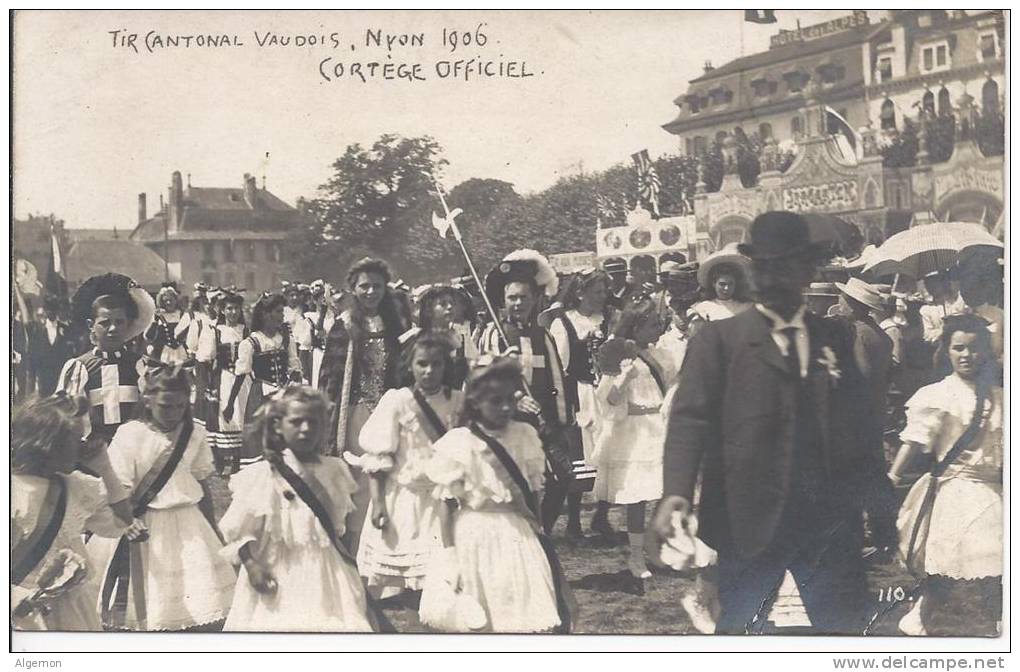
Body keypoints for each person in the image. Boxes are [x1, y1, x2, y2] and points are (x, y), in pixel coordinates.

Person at [655, 211, 897, 635]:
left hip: (828, 519)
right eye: (766, 266)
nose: (776, 277)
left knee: (844, 632)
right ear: (754, 270)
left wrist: (879, 505)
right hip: (746, 518)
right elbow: (689, 420)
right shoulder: (719, 341)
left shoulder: (836, 338)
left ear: (806, 271)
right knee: (741, 629)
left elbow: (860, 427)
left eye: (788, 265)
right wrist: (676, 492)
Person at [420, 357, 574, 633]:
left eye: (509, 400)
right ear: (475, 402)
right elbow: (446, 504)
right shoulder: (460, 442)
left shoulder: (525, 435)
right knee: (480, 611)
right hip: (473, 533)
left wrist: (538, 532)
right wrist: (449, 555)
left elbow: (533, 492)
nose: (505, 408)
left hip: (517, 532)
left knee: (519, 607)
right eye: (495, 401)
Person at [87, 363, 236, 631]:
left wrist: (212, 525)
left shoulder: (195, 434)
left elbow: (201, 482)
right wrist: (127, 521)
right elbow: (116, 486)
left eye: (180, 407)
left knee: (192, 592)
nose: (174, 414)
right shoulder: (131, 433)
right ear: (148, 400)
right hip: (140, 522)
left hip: (188, 523)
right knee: (146, 595)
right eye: (166, 406)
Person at [219, 386, 378, 632]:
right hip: (277, 569)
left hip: (324, 571)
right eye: (296, 422)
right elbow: (238, 532)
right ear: (278, 426)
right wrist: (251, 566)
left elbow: (336, 527)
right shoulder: (264, 475)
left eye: (313, 422)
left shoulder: (334, 470)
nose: (306, 429)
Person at [889, 315, 1002, 637]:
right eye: (959, 348)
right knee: (946, 570)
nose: (967, 355)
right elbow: (913, 441)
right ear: (947, 351)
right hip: (954, 493)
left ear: (986, 351)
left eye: (975, 348)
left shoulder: (1002, 397)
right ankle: (921, 624)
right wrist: (893, 477)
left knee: (996, 569)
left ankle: (999, 631)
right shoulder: (938, 394)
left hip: (994, 492)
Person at [477, 249, 576, 537]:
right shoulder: (494, 335)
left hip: (544, 425)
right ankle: (521, 537)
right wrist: (516, 400)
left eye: (524, 297)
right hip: (510, 424)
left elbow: (556, 378)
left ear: (534, 299)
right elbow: (487, 383)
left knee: (560, 479)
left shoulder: (542, 335)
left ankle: (540, 531)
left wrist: (558, 422)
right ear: (504, 301)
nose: (518, 303)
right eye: (512, 298)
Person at [356, 332, 463, 597]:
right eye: (422, 364)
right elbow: (379, 457)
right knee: (404, 564)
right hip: (404, 495)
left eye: (436, 364)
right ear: (410, 366)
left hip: (443, 498)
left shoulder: (458, 401)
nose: (429, 371)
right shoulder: (397, 400)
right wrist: (378, 503)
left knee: (441, 571)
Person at [11, 394, 130, 631]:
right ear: (47, 443)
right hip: (20, 610)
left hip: (71, 607)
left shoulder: (75, 486)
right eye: (75, 440)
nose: (83, 446)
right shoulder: (14, 488)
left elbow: (121, 521)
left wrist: (105, 468)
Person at [319, 257, 409, 554]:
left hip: (390, 411)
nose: (371, 292)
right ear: (353, 288)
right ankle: (356, 551)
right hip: (357, 413)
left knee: (393, 478)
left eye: (377, 286)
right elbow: (330, 376)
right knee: (360, 480)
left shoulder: (397, 323)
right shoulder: (343, 325)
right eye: (365, 286)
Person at [57, 273, 157, 523]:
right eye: (105, 322)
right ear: (92, 325)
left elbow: (151, 413)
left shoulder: (140, 366)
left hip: (135, 459)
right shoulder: (78, 367)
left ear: (128, 324)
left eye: (119, 322)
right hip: (93, 461)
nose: (113, 328)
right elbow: (66, 417)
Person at [593, 299, 673, 578]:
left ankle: (655, 547)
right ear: (636, 327)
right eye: (652, 325)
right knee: (637, 497)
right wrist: (624, 377)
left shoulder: (658, 354)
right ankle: (636, 557)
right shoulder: (619, 354)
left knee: (666, 492)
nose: (658, 331)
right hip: (635, 433)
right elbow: (609, 398)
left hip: (659, 428)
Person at [548, 268, 615, 539]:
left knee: (608, 448)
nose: (602, 297)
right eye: (597, 291)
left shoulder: (607, 319)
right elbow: (559, 367)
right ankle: (574, 520)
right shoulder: (564, 323)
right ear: (579, 293)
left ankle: (601, 515)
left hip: (605, 391)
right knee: (581, 453)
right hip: (580, 392)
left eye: (604, 291)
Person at [225, 292, 303, 470]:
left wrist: (293, 381)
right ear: (265, 315)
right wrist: (230, 404)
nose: (282, 316)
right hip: (261, 395)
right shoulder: (251, 342)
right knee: (262, 438)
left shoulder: (286, 338)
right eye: (278, 312)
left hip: (285, 393)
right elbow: (241, 375)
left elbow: (294, 366)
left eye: (282, 312)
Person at [835, 278, 894, 444]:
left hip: (860, 407)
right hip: (879, 402)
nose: (839, 303)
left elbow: (862, 374)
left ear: (853, 304)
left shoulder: (858, 333)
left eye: (842, 299)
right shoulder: (880, 333)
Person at [196, 288, 249, 475]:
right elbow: (205, 358)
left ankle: (237, 460)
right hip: (224, 376)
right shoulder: (216, 331)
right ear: (222, 311)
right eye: (229, 309)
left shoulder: (246, 331)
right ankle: (219, 461)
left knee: (240, 415)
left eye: (236, 309)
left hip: (244, 378)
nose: (233, 312)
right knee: (222, 416)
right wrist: (207, 383)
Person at [28, 295, 76, 396]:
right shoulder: (37, 330)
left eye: (53, 309)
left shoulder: (66, 329)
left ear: (57, 310)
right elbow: (33, 354)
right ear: (45, 310)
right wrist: (34, 376)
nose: (51, 312)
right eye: (48, 309)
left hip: (61, 376)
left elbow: (71, 354)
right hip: (44, 377)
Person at [692, 243, 753, 322]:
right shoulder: (703, 308)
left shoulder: (746, 307)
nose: (726, 288)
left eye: (730, 284)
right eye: (722, 284)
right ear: (714, 284)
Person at [145, 283, 190, 365]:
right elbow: (148, 337)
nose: (168, 303)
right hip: (163, 353)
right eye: (165, 300)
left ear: (176, 300)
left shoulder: (183, 315)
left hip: (182, 352)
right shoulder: (158, 316)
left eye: (171, 300)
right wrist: (155, 321)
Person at [919, 270, 966, 343]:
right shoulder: (926, 309)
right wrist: (941, 331)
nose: (930, 286)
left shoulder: (960, 300)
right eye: (927, 282)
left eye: (935, 281)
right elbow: (927, 336)